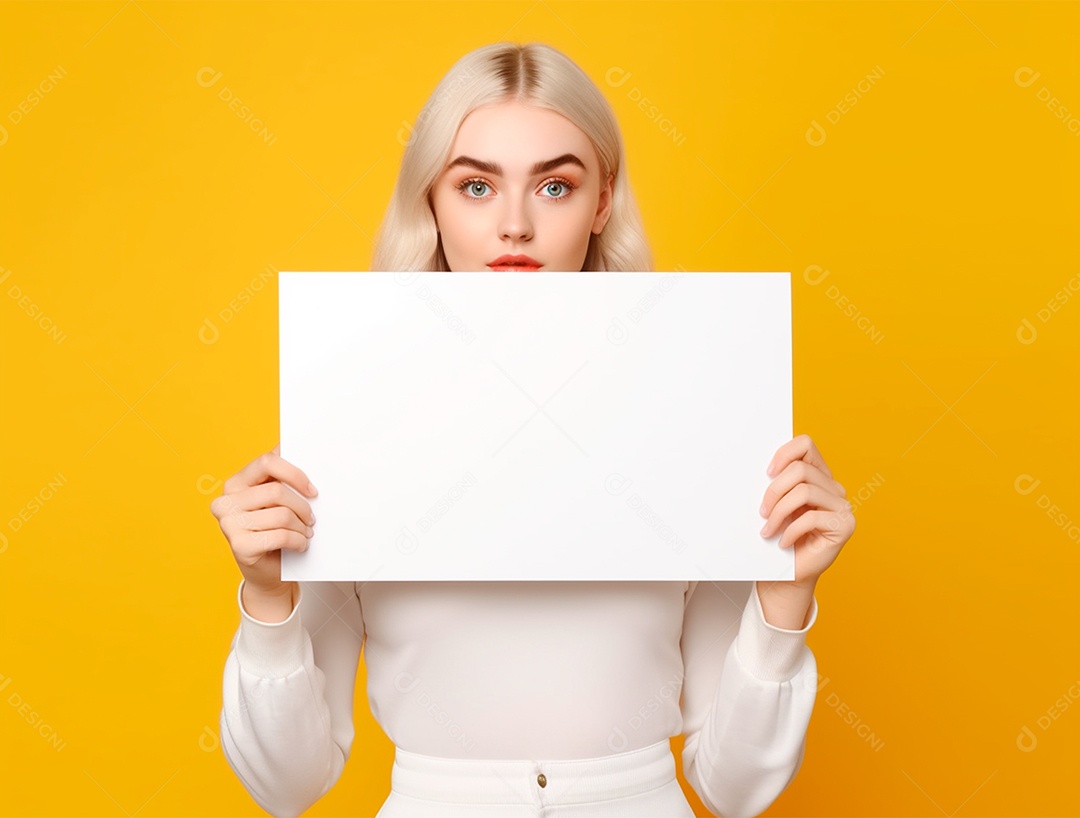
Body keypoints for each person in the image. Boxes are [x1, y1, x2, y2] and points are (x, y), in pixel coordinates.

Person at [213, 41, 856, 818]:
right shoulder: (358, 417)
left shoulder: (692, 403)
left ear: (602, 201)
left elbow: (736, 787)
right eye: (476, 185)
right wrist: (266, 597)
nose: (514, 225)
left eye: (555, 185)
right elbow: (287, 784)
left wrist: (785, 594)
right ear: (431, 202)